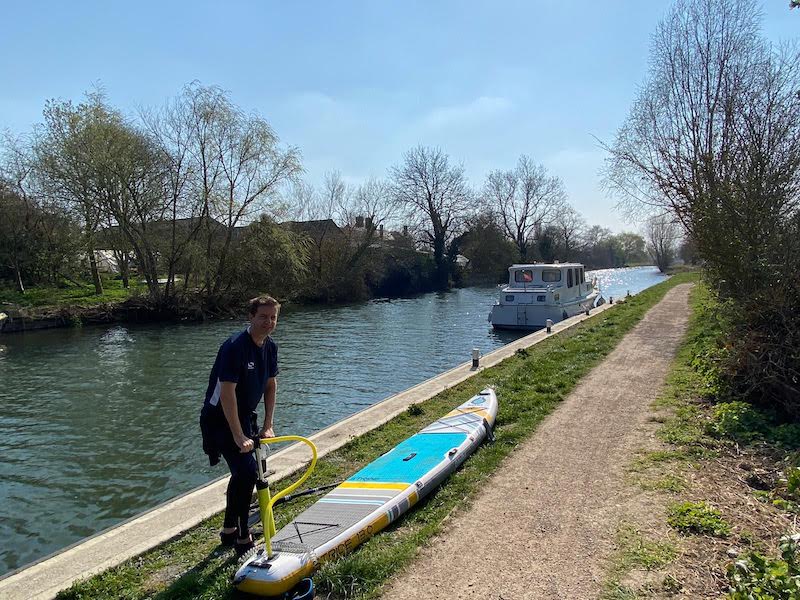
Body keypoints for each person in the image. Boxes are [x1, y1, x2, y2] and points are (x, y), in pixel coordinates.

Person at [200, 295, 280, 555]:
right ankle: (243, 537)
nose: (268, 322)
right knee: (246, 473)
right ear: (251, 317)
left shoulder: (270, 347)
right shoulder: (234, 346)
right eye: (262, 317)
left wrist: (268, 424)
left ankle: (229, 530)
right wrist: (237, 434)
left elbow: (270, 384)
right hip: (219, 420)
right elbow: (226, 393)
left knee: (251, 471)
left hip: (246, 417)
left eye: (273, 317)